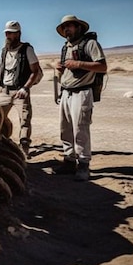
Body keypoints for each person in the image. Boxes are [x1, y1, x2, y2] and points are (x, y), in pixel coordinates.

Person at [53, 15, 107, 181]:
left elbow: (102, 66)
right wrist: (59, 68)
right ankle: (69, 161)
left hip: (82, 92)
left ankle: (83, 164)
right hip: (66, 92)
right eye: (64, 27)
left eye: (69, 26)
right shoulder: (66, 47)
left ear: (78, 27)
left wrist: (79, 64)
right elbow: (65, 70)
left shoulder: (90, 44)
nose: (67, 29)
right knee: (66, 128)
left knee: (80, 128)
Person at [0, 20, 43, 158]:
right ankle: (1, 144)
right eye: (6, 33)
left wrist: (25, 88)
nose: (8, 36)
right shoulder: (3, 51)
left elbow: (35, 71)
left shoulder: (27, 49)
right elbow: (0, 70)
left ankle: (24, 148)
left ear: (18, 34)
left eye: (10, 33)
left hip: (20, 91)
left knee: (24, 120)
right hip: (4, 91)